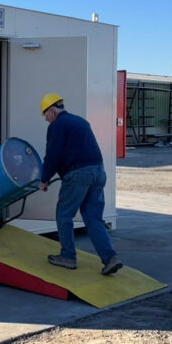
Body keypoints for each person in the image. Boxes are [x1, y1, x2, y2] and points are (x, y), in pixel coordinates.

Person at [37, 93, 123, 275]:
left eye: (45, 115)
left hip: (79, 174)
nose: (46, 120)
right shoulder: (80, 122)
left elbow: (53, 155)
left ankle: (67, 256)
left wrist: (44, 179)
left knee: (63, 214)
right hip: (98, 172)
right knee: (93, 218)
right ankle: (110, 258)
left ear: (52, 111)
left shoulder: (57, 125)